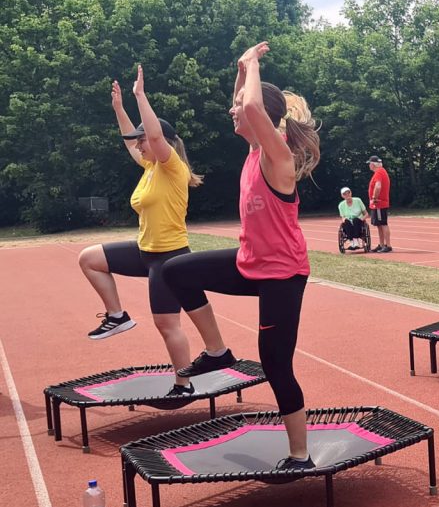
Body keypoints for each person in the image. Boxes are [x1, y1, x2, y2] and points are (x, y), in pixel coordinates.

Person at [162, 41, 320, 471]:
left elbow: (250, 107)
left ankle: (300, 455)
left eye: (239, 107)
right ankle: (217, 351)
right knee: (177, 272)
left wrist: (252, 64)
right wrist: (240, 69)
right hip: (250, 262)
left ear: (262, 120)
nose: (232, 111)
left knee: (275, 363)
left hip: (282, 276)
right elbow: (246, 105)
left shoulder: (278, 157)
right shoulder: (254, 150)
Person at [77, 66, 203, 396]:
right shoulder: (149, 167)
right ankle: (117, 315)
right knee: (89, 259)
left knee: (167, 324)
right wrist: (119, 110)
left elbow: (156, 138)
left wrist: (139, 96)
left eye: (142, 139)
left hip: (169, 258)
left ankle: (183, 383)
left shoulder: (170, 164)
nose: (138, 145)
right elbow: (132, 145)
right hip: (145, 251)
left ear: (158, 141)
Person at [367, 155, 392, 252]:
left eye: (369, 163)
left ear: (373, 164)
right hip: (379, 203)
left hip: (379, 203)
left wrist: (374, 198)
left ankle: (388, 245)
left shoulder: (379, 173)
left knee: (383, 223)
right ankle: (382, 244)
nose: (369, 165)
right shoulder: (382, 172)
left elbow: (378, 186)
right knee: (379, 225)